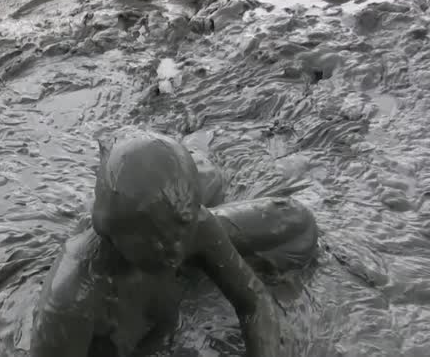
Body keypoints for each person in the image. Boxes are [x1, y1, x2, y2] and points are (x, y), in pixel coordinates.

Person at [30, 130, 317, 357]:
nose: (177, 247)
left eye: (186, 227)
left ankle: (198, 171)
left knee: (295, 222)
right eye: (160, 239)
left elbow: (253, 301)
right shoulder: (72, 299)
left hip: (168, 215)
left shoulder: (190, 226)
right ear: (118, 233)